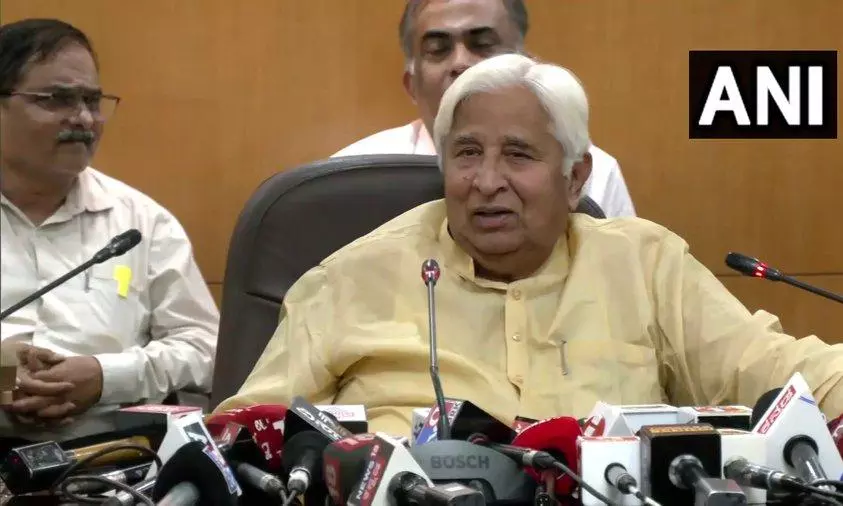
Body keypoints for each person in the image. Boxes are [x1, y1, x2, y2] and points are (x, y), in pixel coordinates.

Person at [217, 53, 842, 435]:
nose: (487, 181)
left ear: (575, 179)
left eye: (518, 155)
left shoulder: (644, 265)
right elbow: (241, 435)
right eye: (467, 153)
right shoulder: (352, 277)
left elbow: (780, 371)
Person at [0, 19, 218, 426]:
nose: (83, 119)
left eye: (92, 100)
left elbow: (205, 347)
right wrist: (2, 373)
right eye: (57, 99)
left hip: (115, 453)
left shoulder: (142, 224)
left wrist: (106, 378)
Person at [333, 0, 636, 218]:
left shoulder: (587, 171)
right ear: (412, 85)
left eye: (483, 44)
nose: (460, 63)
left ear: (524, 67)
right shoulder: (350, 179)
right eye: (438, 50)